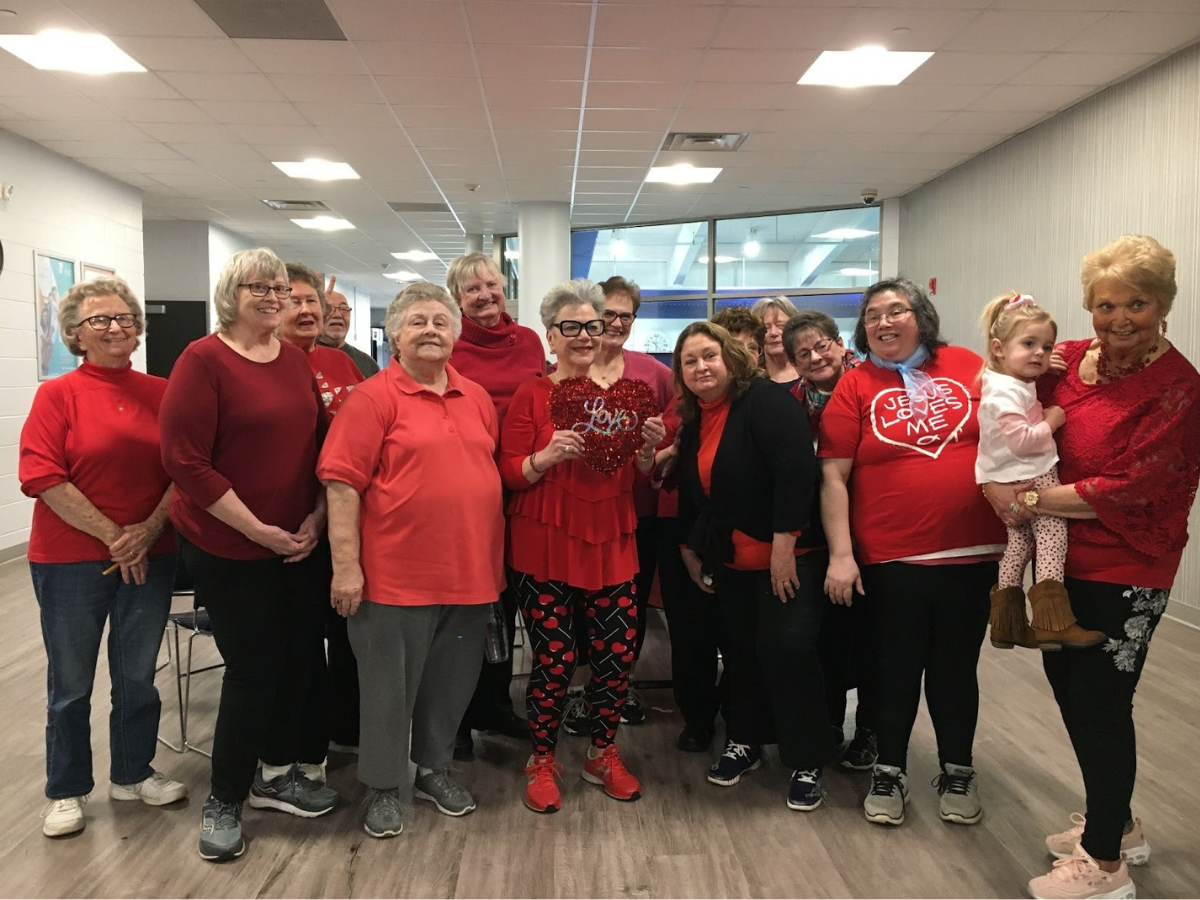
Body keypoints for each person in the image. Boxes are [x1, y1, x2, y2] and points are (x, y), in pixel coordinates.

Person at [978, 237, 1200, 900]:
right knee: (1069, 683)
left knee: (1102, 700)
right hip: (1061, 553)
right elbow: (1005, 398)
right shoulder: (1069, 358)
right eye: (1106, 305)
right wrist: (990, 480)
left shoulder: (1178, 388)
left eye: (1138, 303)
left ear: (1164, 305)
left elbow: (1132, 485)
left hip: (1128, 560)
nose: (1120, 319)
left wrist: (1027, 500)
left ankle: (1105, 864)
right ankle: (1119, 824)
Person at [160, 248, 337, 863]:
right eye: (257, 287)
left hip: (298, 541)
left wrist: (316, 518)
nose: (272, 297)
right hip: (229, 546)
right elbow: (185, 462)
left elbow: (320, 444)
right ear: (230, 294)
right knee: (255, 668)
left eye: (279, 287)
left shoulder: (292, 360)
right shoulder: (202, 360)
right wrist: (260, 531)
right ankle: (224, 798)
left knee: (299, 658)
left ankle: (276, 774)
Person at [318, 282, 505, 839]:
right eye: (418, 321)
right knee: (386, 691)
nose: (430, 330)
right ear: (395, 334)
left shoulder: (476, 397)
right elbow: (341, 486)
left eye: (441, 322)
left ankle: (433, 769)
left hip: (470, 573)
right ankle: (381, 785)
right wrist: (346, 568)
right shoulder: (371, 399)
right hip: (394, 577)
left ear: (455, 335)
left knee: (450, 684)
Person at [820, 278, 1004, 829]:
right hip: (891, 559)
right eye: (872, 314)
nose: (884, 321)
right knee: (892, 670)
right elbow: (833, 476)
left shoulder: (968, 364)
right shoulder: (855, 384)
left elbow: (1018, 414)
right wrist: (841, 554)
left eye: (896, 310)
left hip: (971, 555)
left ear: (920, 315)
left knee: (955, 670)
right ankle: (890, 770)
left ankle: (958, 769)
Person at [20, 277, 185, 838]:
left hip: (152, 554)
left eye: (125, 318)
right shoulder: (57, 395)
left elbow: (185, 469)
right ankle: (66, 789)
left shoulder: (164, 393)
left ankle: (133, 773)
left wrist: (148, 531)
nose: (116, 327)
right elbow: (42, 477)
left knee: (137, 675)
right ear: (75, 333)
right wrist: (119, 537)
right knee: (71, 683)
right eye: (100, 320)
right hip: (69, 560)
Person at [499, 279, 665, 813]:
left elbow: (637, 478)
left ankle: (602, 752)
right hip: (542, 541)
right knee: (555, 658)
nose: (585, 335)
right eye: (570, 326)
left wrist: (647, 453)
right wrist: (545, 457)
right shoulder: (531, 394)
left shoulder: (623, 398)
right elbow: (508, 472)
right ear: (550, 335)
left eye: (592, 325)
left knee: (616, 657)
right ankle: (542, 759)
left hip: (612, 538)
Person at [673, 321, 831, 811]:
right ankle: (745, 740)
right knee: (741, 655)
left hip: (789, 559)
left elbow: (796, 472)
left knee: (789, 652)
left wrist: (784, 547)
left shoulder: (764, 401)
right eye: (690, 361)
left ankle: (807, 758)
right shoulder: (695, 419)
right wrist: (689, 550)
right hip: (733, 562)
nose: (701, 367)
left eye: (709, 355)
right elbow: (694, 492)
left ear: (731, 358)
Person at [444, 251, 547, 758]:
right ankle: (457, 718)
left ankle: (496, 706)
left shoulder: (528, 340)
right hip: (470, 486)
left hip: (525, 482)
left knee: (507, 601)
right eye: (472, 289)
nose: (485, 295)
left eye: (492, 285)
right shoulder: (449, 345)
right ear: (457, 299)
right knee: (467, 605)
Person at [561, 275, 674, 731]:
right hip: (576, 512)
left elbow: (679, 426)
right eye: (607, 314)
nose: (616, 323)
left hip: (635, 513)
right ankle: (581, 689)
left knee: (627, 608)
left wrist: (657, 454)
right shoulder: (570, 367)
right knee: (576, 606)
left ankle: (618, 689)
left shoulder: (655, 374)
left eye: (626, 315)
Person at [975, 293, 1105, 652]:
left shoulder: (1003, 381)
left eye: (1046, 347)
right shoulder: (1004, 395)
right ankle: (1053, 622)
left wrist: (1044, 364)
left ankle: (1006, 623)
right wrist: (1052, 420)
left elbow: (1024, 380)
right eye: (1028, 344)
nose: (1040, 354)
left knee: (1018, 544)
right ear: (998, 348)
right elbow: (1022, 441)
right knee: (1052, 537)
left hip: (1009, 475)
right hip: (1033, 472)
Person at [781, 310, 876, 771]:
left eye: (822, 346)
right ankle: (832, 722)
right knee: (830, 638)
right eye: (804, 353)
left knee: (874, 642)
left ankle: (871, 730)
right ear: (794, 363)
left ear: (840, 344)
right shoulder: (793, 403)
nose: (816, 357)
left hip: (875, 526)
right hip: (823, 534)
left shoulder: (871, 385)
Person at [281, 262, 365, 754]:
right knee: (302, 641)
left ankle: (347, 730)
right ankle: (302, 746)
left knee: (350, 631)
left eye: (312, 300)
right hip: (292, 525)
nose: (307, 309)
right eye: (294, 300)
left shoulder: (342, 363)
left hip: (345, 518)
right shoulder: (268, 364)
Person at [318, 275, 379, 377]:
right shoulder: (303, 357)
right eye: (329, 308)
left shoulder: (367, 363)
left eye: (344, 309)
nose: (337, 315)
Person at [751, 296, 800, 386]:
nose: (773, 333)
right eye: (766, 327)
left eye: (781, 325)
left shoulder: (809, 373)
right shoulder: (750, 380)